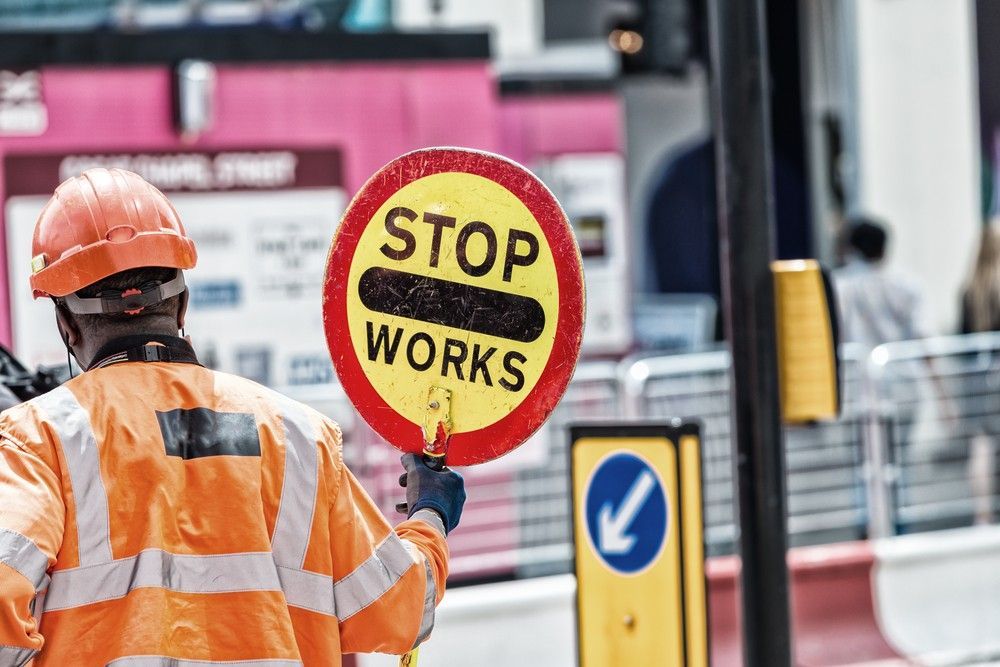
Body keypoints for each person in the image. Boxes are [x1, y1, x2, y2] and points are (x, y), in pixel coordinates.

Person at [0, 168, 466, 665]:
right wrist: (429, 516)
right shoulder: (298, 438)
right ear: (182, 302)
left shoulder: (39, 440)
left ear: (67, 324)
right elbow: (401, 611)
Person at [958, 222, 1000, 523]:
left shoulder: (970, 287)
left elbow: (963, 337)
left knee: (982, 445)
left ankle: (982, 516)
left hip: (978, 374)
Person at [831, 216, 925, 347]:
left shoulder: (837, 284)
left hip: (854, 364)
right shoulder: (905, 285)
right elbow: (921, 333)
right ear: (884, 249)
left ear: (851, 248)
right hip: (899, 363)